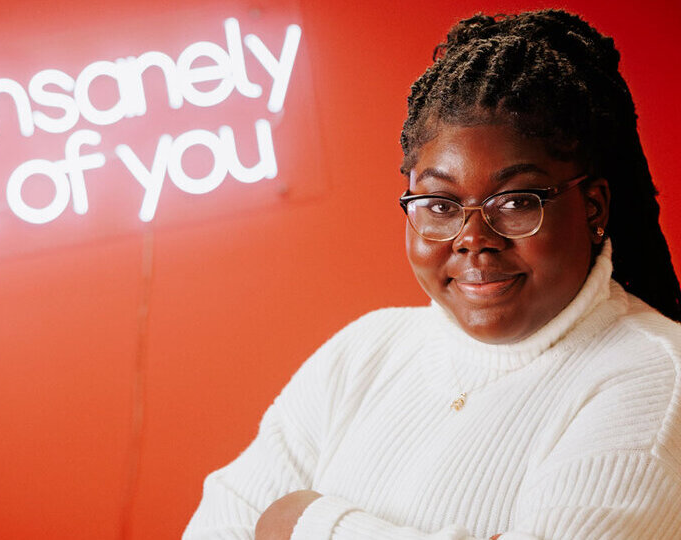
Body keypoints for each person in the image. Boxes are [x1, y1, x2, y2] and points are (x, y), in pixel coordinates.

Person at [183, 9, 681, 540]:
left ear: (593, 207)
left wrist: (306, 522)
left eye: (515, 201)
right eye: (441, 204)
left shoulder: (656, 377)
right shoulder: (365, 351)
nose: (474, 237)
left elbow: (273, 520)